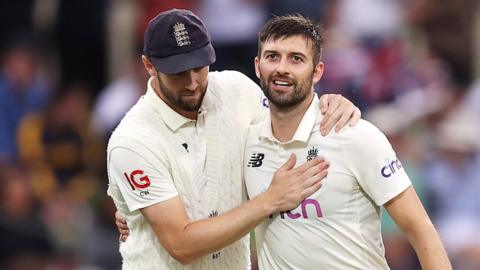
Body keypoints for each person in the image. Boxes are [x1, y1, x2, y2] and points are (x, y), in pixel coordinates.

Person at [107, 9, 360, 270]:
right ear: (149, 65)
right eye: (178, 72)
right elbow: (181, 244)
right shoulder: (133, 140)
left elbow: (289, 125)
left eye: (198, 66)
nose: (193, 82)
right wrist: (269, 200)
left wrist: (328, 104)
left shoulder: (236, 90)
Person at [244, 14, 452, 269]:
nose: (282, 68)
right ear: (257, 65)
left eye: (296, 59)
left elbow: (421, 230)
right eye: (272, 56)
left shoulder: (355, 135)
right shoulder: (247, 140)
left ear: (317, 71)